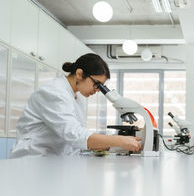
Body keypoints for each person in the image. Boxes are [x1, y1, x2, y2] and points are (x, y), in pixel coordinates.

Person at [9, 53, 141, 158]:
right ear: (79, 74)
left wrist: (114, 146)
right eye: (97, 84)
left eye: (101, 86)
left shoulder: (78, 97)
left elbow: (78, 141)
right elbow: (74, 135)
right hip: (33, 160)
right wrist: (119, 141)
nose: (97, 90)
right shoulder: (53, 92)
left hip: (55, 162)